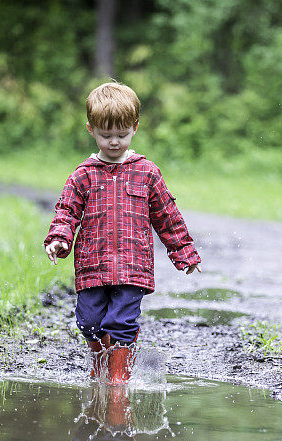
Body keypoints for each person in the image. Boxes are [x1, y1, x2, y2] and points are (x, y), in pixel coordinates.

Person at [44, 82, 201, 383]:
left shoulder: (147, 173)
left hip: (133, 266)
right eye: (106, 135)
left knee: (122, 321)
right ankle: (99, 364)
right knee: (89, 321)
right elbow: (66, 212)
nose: (114, 142)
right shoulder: (83, 175)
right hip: (92, 265)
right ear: (91, 129)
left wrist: (184, 253)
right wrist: (59, 239)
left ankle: (118, 379)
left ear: (135, 128)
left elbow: (167, 217)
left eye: (122, 134)